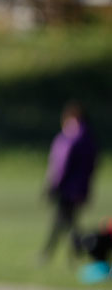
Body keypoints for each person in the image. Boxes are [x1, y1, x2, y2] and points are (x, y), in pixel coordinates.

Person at [40, 101, 98, 264]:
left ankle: (75, 250)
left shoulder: (70, 139)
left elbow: (61, 165)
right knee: (66, 221)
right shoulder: (89, 139)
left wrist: (53, 185)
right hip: (79, 187)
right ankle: (70, 254)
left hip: (67, 187)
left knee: (66, 221)